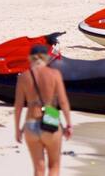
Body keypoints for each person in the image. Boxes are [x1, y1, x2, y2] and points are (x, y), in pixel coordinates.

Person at [14, 44, 72, 176]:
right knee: (54, 167)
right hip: (50, 121)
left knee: (39, 170)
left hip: (30, 124)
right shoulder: (54, 74)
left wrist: (17, 129)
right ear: (47, 58)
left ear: (30, 58)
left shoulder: (23, 77)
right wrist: (69, 125)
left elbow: (18, 106)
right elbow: (63, 102)